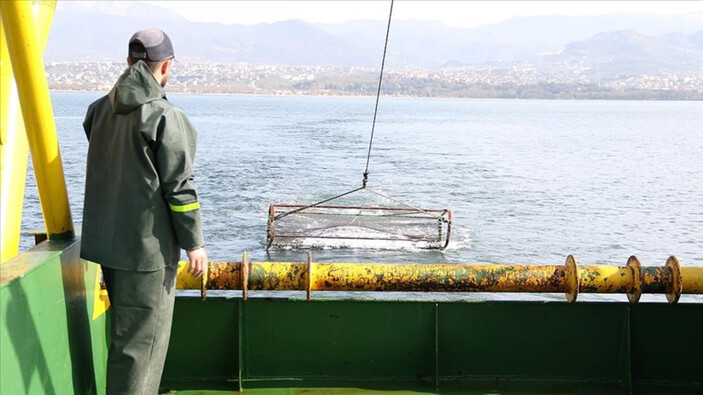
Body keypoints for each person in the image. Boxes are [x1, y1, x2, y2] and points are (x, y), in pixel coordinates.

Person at [80, 28, 207, 394]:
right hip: (146, 255)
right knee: (142, 350)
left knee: (124, 343)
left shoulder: (99, 109)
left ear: (128, 63)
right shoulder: (164, 116)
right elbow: (179, 187)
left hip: (107, 247)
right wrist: (194, 243)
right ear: (165, 66)